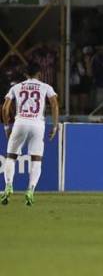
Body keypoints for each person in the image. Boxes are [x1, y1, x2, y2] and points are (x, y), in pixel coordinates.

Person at [2, 63, 59, 206]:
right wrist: (55, 125)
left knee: (11, 156)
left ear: (25, 75)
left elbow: (5, 107)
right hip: (38, 125)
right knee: (36, 159)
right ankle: (30, 190)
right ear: (39, 73)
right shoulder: (46, 87)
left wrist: (6, 126)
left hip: (20, 122)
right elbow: (54, 104)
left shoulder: (16, 87)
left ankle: (8, 186)